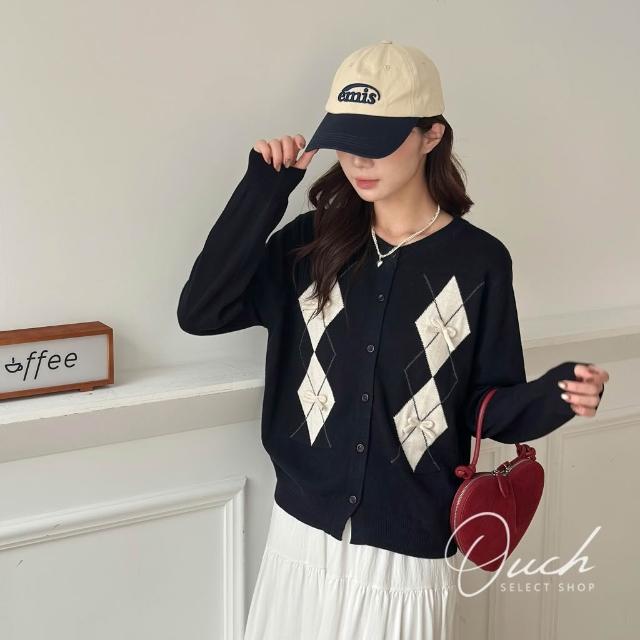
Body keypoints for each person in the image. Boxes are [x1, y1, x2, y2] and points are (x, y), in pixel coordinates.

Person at [177, 41, 609, 640]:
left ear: (432, 135)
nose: (358, 159)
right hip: (299, 541)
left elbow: (486, 407)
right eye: (346, 139)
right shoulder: (310, 244)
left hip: (405, 563)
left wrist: (557, 395)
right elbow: (202, 312)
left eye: (377, 141)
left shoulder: (479, 263)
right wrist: (262, 192)